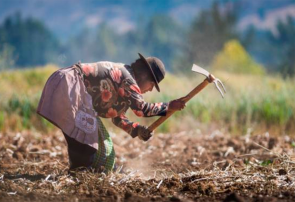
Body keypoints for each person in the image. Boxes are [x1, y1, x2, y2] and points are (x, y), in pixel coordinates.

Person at [37, 53, 185, 173]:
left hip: (67, 85)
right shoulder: (127, 78)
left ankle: (84, 173)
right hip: (69, 86)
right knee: (85, 142)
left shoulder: (124, 80)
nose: (151, 89)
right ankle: (80, 175)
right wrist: (170, 106)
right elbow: (142, 109)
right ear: (144, 76)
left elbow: (117, 117)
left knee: (95, 144)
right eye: (152, 85)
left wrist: (138, 130)